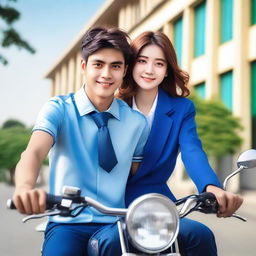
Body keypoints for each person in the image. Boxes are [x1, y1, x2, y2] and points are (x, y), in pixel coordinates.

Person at [12, 27, 149, 256]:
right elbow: (34, 152)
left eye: (115, 66)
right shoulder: (58, 109)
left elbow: (138, 176)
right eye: (98, 64)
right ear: (84, 66)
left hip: (116, 225)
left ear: (125, 70)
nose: (106, 74)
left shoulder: (137, 123)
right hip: (67, 223)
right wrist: (25, 187)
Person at [117, 31, 244, 255]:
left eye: (159, 63)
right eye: (142, 61)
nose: (149, 70)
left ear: (167, 70)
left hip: (158, 205)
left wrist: (210, 186)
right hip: (110, 203)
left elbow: (192, 150)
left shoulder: (182, 109)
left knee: (200, 236)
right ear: (130, 65)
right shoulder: (112, 106)